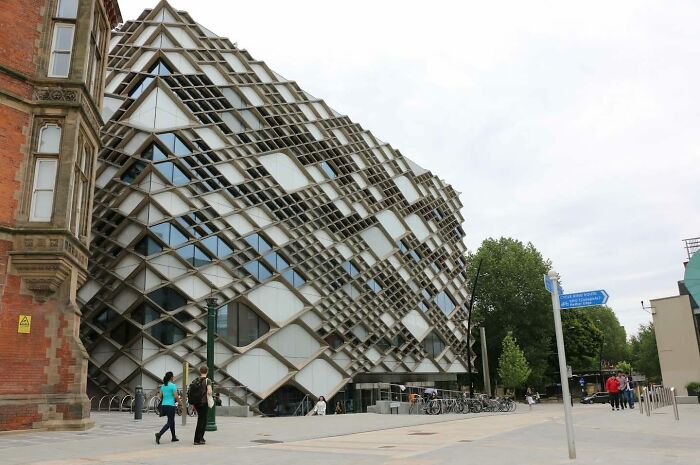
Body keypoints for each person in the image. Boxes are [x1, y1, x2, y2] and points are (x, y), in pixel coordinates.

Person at [190, 365, 213, 445]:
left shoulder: (196, 380)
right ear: (207, 371)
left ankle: (201, 438)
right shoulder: (208, 380)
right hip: (203, 403)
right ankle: (197, 439)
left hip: (197, 403)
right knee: (202, 421)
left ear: (200, 371)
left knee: (202, 420)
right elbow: (209, 391)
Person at [155, 371, 180, 444]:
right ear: (171, 377)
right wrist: (180, 403)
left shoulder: (163, 386)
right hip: (170, 406)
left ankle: (173, 437)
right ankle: (159, 434)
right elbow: (176, 396)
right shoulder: (173, 385)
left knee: (171, 421)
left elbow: (160, 396)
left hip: (164, 405)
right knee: (170, 422)